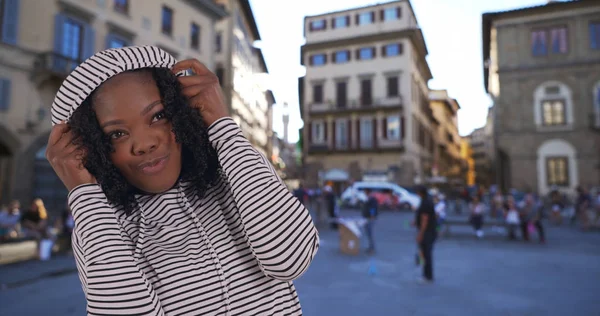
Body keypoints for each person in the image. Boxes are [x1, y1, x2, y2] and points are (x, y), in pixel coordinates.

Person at [45, 46, 319, 315]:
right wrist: (83, 192)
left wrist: (224, 128)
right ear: (92, 146)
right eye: (116, 134)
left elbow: (291, 260)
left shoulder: (236, 175)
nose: (144, 144)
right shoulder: (101, 222)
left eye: (158, 116)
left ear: (182, 110)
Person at [414, 186, 437, 283]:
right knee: (425, 253)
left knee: (425, 254)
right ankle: (426, 274)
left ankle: (427, 276)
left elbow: (425, 219)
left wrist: (420, 234)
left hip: (427, 232)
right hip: (430, 230)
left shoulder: (425, 203)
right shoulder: (428, 201)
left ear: (420, 192)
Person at [362, 188, 378, 254]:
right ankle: (370, 247)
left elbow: (373, 208)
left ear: (367, 192)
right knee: (368, 233)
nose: (364, 193)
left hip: (370, 218)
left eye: (365, 191)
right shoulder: (369, 198)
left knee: (370, 233)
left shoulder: (372, 199)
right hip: (367, 217)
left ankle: (372, 248)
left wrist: (372, 216)